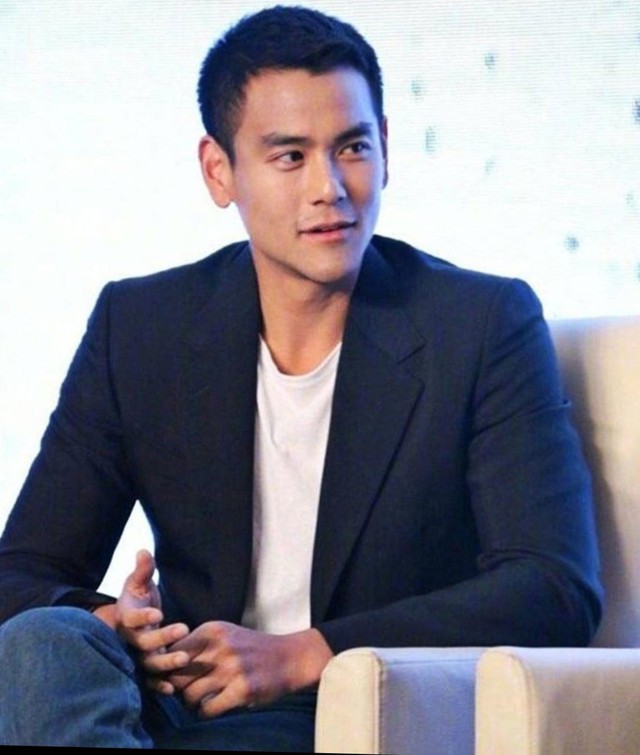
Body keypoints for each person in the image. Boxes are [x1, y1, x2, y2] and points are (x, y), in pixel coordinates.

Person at [0, 4, 602, 751]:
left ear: (386, 148)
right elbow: (19, 576)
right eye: (290, 157)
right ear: (219, 171)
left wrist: (308, 653)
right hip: (180, 700)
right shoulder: (141, 326)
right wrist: (117, 627)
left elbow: (553, 587)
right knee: (41, 645)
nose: (330, 187)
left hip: (347, 714)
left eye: (352, 147)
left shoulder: (480, 325)